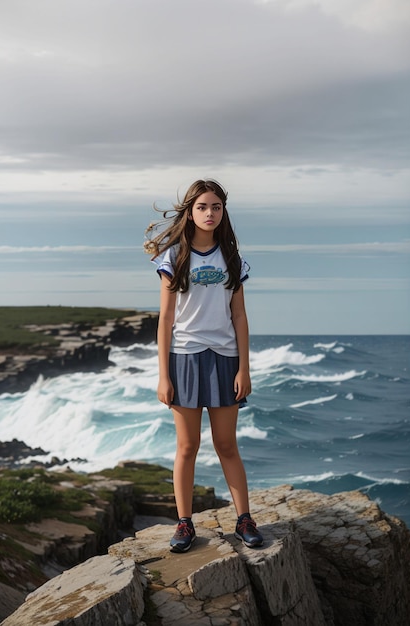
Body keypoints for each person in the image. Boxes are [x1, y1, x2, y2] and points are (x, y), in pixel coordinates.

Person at [144, 179, 263, 553]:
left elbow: (240, 316)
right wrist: (163, 375)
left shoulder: (232, 259)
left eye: (216, 207)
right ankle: (184, 523)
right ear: (190, 211)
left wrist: (244, 368)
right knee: (187, 446)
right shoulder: (175, 258)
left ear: (223, 211)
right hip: (184, 359)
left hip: (225, 359)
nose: (209, 213)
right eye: (202, 207)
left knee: (227, 444)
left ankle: (244, 519)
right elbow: (165, 320)